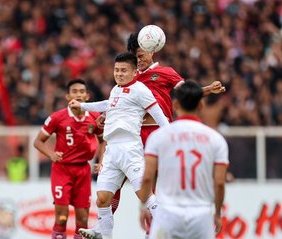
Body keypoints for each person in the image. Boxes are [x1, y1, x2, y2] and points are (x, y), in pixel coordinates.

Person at [108, 32, 226, 236]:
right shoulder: (129, 75)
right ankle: (103, 226)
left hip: (156, 132)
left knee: (153, 186)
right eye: (135, 55)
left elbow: (187, 93)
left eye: (141, 54)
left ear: (152, 49)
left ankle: (151, 232)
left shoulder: (165, 72)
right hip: (131, 134)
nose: (139, 59)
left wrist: (207, 89)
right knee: (113, 180)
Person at [69, 52, 169, 239]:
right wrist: (83, 106)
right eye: (116, 70)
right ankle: (104, 235)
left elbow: (160, 116)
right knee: (102, 199)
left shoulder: (141, 90)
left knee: (145, 196)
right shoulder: (116, 89)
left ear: (134, 71)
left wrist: (174, 138)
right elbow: (109, 104)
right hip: (112, 151)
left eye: (124, 70)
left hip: (130, 148)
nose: (119, 74)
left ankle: (168, 228)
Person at [141, 80, 229, 239]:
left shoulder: (158, 137)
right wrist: (217, 212)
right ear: (201, 106)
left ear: (175, 105)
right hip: (201, 214)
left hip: (167, 213)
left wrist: (143, 207)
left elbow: (147, 177)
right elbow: (219, 183)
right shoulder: (215, 139)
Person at [33, 79, 105, 239]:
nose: (78, 95)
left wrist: (102, 161)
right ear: (68, 96)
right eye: (74, 91)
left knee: (83, 219)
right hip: (62, 169)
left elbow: (103, 141)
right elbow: (38, 142)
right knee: (62, 216)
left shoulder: (95, 117)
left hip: (83, 170)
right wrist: (51, 154)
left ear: (87, 96)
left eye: (81, 92)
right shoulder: (57, 117)